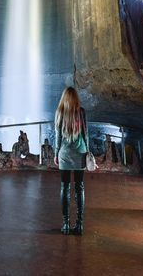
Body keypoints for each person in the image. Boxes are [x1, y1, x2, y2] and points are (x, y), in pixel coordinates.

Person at [54, 86, 88, 235]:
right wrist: (87, 152)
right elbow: (86, 135)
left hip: (65, 155)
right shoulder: (81, 112)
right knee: (79, 187)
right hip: (80, 153)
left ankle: (66, 224)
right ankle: (79, 224)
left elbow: (58, 137)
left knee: (65, 188)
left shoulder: (60, 113)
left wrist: (56, 153)